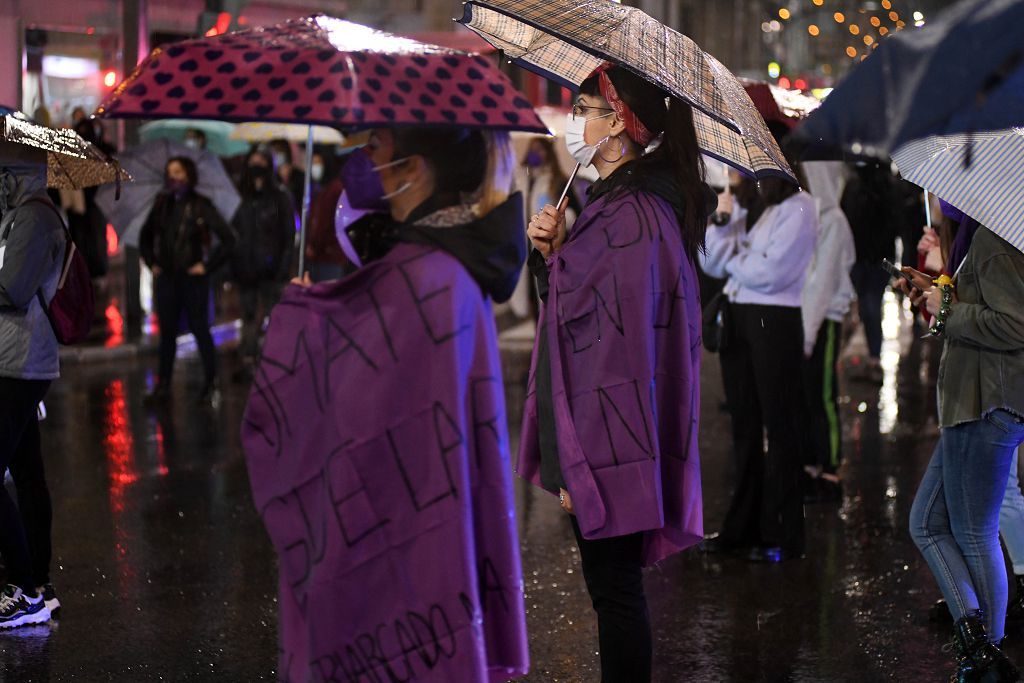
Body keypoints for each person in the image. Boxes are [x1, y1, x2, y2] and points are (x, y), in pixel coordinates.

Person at [242, 125, 529, 682]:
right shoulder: (450, 270)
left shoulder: (422, 278)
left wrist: (302, 323)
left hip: (393, 559)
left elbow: (349, 411)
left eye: (376, 147)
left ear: (413, 169)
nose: (364, 159)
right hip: (430, 542)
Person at [523, 63, 710, 682]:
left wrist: (584, 462)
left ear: (622, 125)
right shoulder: (621, 207)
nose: (576, 122)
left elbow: (613, 350)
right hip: (612, 433)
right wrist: (554, 254)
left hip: (609, 437)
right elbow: (586, 308)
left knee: (616, 594)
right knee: (613, 591)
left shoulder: (631, 215)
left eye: (586, 109)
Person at [901, 219, 1024, 681]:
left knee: (975, 532)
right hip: (970, 403)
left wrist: (947, 308)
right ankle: (978, 646)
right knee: (927, 523)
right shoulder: (984, 237)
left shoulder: (995, 236)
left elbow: (1015, 322)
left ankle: (986, 659)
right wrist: (936, 292)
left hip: (987, 404)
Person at [701, 158, 818, 563]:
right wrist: (721, 219)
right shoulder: (745, 206)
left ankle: (784, 531)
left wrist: (738, 259)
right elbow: (709, 261)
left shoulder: (800, 206)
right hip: (738, 318)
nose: (740, 170)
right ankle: (742, 527)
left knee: (780, 426)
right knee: (744, 426)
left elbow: (772, 273)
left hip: (775, 321)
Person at [0, 141, 63, 628]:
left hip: (20, 362)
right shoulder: (19, 213)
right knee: (26, 473)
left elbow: (14, 289)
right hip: (14, 357)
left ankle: (25, 591)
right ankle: (36, 582)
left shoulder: (35, 218)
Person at [139, 157, 235, 405]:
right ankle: (164, 385)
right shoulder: (162, 204)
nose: (174, 178)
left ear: (189, 176)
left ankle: (211, 383)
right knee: (167, 333)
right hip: (167, 279)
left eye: (179, 172)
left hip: (192, 280)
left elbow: (229, 240)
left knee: (200, 329)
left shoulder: (201, 206)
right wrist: (153, 264)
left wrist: (206, 266)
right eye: (170, 173)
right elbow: (145, 236)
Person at [800, 162, 856, 501]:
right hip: (807, 317)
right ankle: (811, 462)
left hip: (825, 319)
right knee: (807, 393)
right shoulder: (812, 215)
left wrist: (808, 332)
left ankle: (831, 467)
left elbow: (822, 284)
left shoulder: (833, 220)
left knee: (822, 395)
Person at [229, 150, 294, 378]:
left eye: (261, 162)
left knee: (271, 317)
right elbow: (232, 232)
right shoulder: (240, 196)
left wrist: (282, 268)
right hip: (245, 268)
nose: (256, 166)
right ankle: (248, 359)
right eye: (253, 161)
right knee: (247, 316)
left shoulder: (280, 197)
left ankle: (272, 363)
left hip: (271, 269)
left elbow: (288, 235)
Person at [841, 162, 897, 384]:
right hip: (877, 258)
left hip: (865, 258)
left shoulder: (855, 186)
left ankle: (874, 358)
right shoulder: (887, 187)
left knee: (869, 305)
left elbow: (847, 219)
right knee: (870, 305)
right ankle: (873, 356)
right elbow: (896, 223)